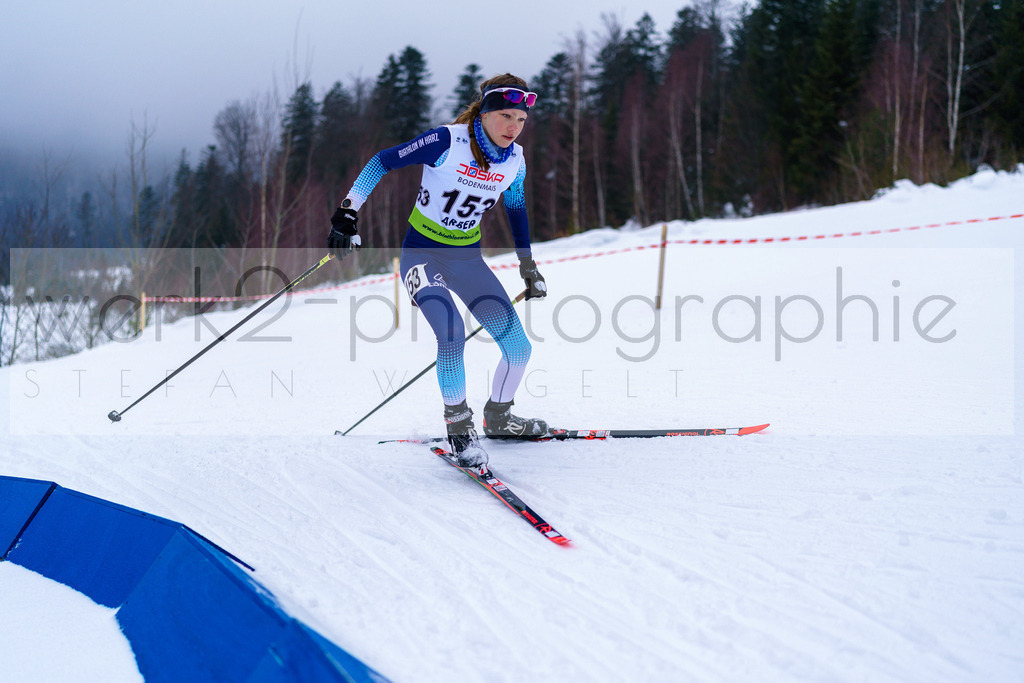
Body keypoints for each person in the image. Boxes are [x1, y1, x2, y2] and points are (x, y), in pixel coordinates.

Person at [327, 73, 549, 468]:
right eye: (506, 116)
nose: (514, 127)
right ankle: (459, 429)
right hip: (422, 256)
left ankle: (499, 417)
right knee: (451, 333)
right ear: (484, 113)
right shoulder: (447, 141)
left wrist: (527, 263)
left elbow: (516, 207)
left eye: (521, 119)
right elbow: (382, 161)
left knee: (519, 348)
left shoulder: (515, 161)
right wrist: (347, 212)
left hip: (467, 260)